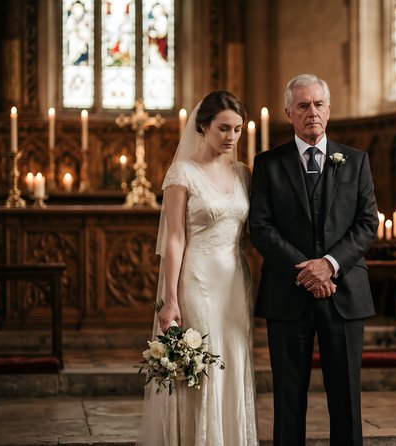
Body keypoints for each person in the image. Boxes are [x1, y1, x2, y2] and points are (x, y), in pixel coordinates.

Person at [250, 74, 379, 445]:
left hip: (344, 292)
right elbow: (261, 227)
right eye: (303, 105)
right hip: (287, 296)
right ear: (288, 111)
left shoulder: (355, 161)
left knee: (346, 397)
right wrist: (305, 271)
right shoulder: (268, 164)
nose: (312, 112)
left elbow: (367, 224)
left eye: (319, 104)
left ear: (329, 109)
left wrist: (330, 265)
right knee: (288, 397)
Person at [137, 90, 259, 445]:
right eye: (223, 128)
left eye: (238, 129)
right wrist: (171, 299)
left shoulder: (244, 173)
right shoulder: (182, 172)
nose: (231, 137)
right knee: (204, 366)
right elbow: (175, 238)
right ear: (203, 126)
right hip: (197, 279)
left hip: (234, 282)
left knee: (232, 362)